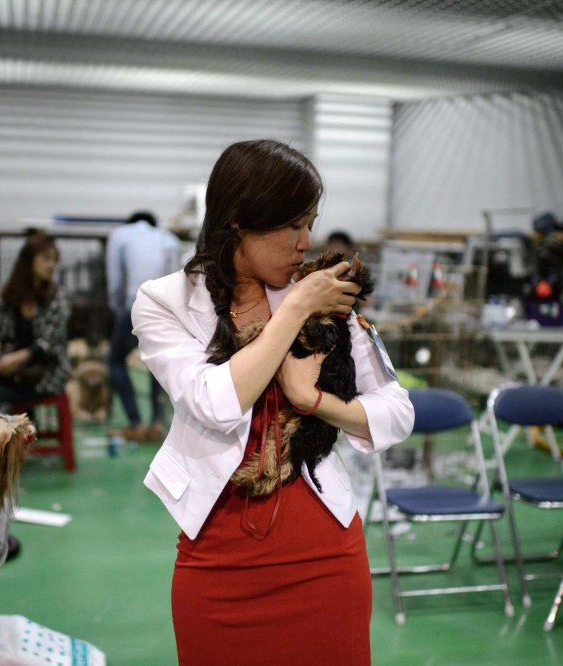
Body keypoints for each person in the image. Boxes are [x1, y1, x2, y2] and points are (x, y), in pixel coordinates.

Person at [132, 139, 414, 665]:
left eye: (311, 224)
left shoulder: (325, 296)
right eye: (292, 225)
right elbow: (216, 402)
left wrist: (312, 399)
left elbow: (397, 413)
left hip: (326, 556)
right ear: (239, 221)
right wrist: (298, 307)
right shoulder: (165, 301)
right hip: (218, 559)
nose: (306, 242)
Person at [0, 230, 71, 418]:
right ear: (29, 260)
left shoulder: (58, 297)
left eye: (55, 260)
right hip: (13, 371)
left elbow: (47, 344)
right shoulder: (9, 294)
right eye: (46, 258)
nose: (52, 265)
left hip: (47, 373)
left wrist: (14, 359)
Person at [106, 210, 180, 442]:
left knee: (116, 361)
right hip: (164, 310)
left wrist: (119, 308)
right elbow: (177, 280)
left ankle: (135, 422)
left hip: (134, 305)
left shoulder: (119, 235)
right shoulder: (169, 239)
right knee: (158, 363)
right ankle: (158, 422)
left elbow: (115, 279)